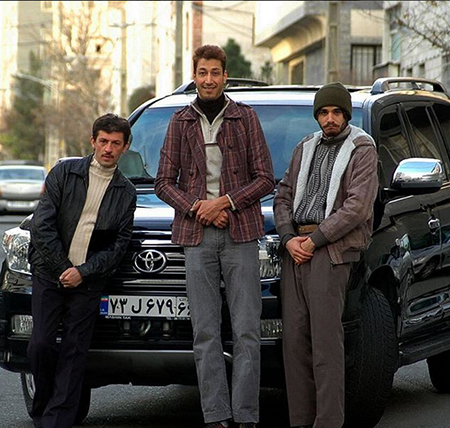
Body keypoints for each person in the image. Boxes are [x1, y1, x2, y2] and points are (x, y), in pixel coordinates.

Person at [155, 44, 275, 428]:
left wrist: (224, 202)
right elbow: (163, 182)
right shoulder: (179, 120)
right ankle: (216, 415)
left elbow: (265, 178)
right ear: (194, 76)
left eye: (215, 73)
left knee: (246, 330)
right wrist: (198, 208)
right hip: (196, 236)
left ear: (225, 76)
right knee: (205, 332)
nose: (208, 79)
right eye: (202, 72)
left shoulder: (245, 117)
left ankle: (246, 415)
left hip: (241, 234)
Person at [273, 82, 378, 428]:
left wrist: (314, 241)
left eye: (335, 112)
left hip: (330, 251)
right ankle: (301, 421)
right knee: (294, 343)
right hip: (295, 250)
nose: (329, 119)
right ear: (316, 116)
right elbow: (282, 196)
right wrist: (288, 238)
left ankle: (329, 421)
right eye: (323, 112)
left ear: (346, 114)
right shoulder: (305, 146)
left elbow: (357, 208)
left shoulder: (362, 148)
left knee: (326, 344)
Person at [27, 113, 137, 428]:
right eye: (103, 141)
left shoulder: (126, 192)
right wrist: (64, 268)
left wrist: (83, 272)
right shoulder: (64, 173)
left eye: (115, 143)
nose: (108, 149)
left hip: (88, 282)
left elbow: (117, 247)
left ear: (125, 147)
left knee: (74, 351)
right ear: (92, 141)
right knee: (41, 345)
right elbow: (41, 226)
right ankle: (43, 407)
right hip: (49, 273)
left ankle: (56, 421)